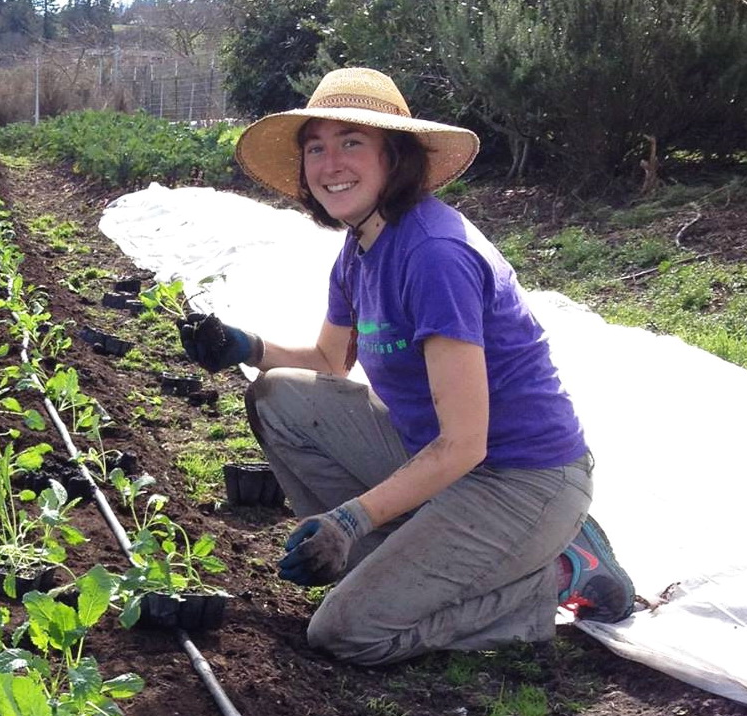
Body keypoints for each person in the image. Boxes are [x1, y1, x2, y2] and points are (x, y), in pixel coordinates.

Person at [179, 67, 634, 666]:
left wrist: (350, 517)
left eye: (351, 143)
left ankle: (560, 572)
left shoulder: (434, 255)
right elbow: (325, 363)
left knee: (346, 631)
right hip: (437, 457)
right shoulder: (363, 245)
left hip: (520, 477)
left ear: (395, 157)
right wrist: (244, 347)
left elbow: (467, 444)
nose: (329, 162)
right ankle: (396, 555)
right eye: (315, 147)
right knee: (278, 397)